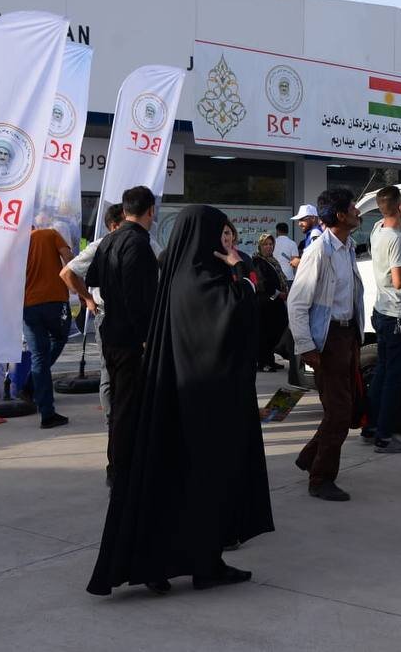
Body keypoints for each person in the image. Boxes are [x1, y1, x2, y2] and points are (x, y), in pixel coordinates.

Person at [87, 205, 273, 596]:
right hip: (203, 409)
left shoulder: (178, 277)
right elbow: (239, 316)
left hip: (174, 403)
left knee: (169, 488)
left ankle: (172, 565)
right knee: (202, 486)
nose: (226, 242)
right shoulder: (205, 281)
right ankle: (203, 565)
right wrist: (239, 269)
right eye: (220, 233)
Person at [286, 187, 364, 502]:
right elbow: (297, 303)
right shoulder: (319, 251)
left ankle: (309, 458)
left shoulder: (348, 247)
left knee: (342, 409)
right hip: (327, 340)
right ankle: (320, 479)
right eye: (354, 208)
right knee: (340, 413)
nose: (359, 212)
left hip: (348, 336)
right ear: (341, 216)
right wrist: (306, 345)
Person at [85, 187, 159, 486]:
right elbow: (134, 294)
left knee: (119, 404)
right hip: (131, 339)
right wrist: (144, 336)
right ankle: (122, 470)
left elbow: (91, 279)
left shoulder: (107, 241)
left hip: (110, 331)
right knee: (129, 407)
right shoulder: (138, 243)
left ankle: (118, 465)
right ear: (150, 211)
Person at [60, 203, 125, 435]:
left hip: (139, 316)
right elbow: (67, 273)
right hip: (107, 314)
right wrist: (87, 298)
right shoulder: (100, 246)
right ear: (115, 225)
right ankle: (111, 425)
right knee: (108, 370)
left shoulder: (144, 241)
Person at [362, 185, 401, 453]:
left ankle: (370, 426)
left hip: (380, 311)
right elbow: (398, 281)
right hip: (396, 314)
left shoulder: (378, 229)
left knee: (382, 372)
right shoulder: (395, 239)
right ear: (399, 208)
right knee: (394, 377)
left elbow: (396, 205)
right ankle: (384, 436)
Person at [22, 223, 74, 429]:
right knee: (59, 339)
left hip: (28, 306)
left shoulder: (15, 245)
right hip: (55, 302)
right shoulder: (50, 234)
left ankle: (46, 412)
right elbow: (69, 258)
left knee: (39, 358)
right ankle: (31, 385)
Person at [252, 233, 290, 372]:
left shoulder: (272, 260)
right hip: (265, 303)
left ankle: (270, 359)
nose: (269, 247)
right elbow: (263, 283)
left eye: (270, 244)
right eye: (265, 244)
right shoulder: (257, 261)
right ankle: (263, 362)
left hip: (275, 303)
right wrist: (279, 294)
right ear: (260, 246)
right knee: (266, 332)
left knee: (277, 329)